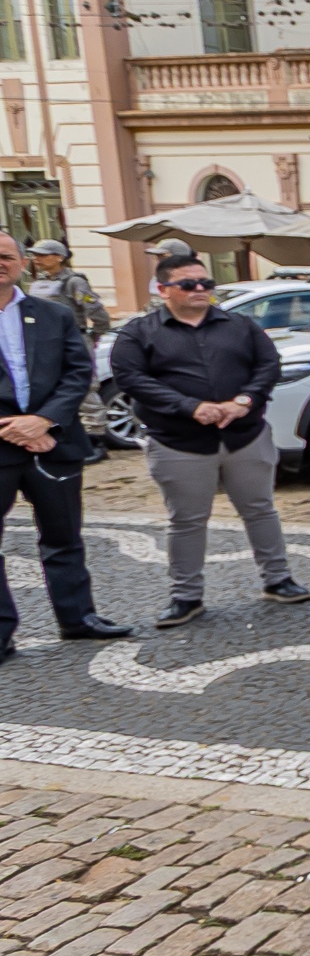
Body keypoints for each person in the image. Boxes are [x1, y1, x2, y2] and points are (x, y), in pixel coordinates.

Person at [112, 252, 308, 625]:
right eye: (188, 284)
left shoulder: (240, 325)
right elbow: (132, 379)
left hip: (245, 435)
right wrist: (190, 406)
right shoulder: (138, 332)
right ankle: (186, 596)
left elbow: (268, 365)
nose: (200, 290)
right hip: (178, 441)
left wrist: (244, 401)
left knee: (260, 508)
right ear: (164, 289)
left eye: (206, 283)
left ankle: (278, 579)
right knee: (186, 520)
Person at [0, 234, 133, 660]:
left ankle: (78, 619)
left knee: (64, 538)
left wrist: (44, 420)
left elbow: (79, 371)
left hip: (52, 442)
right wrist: (11, 427)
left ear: (24, 263)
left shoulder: (54, 314)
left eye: (6, 257)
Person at [24, 240, 113, 459]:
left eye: (43, 255)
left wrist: (92, 337)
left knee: (85, 388)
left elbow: (96, 311)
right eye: (35, 255)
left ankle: (96, 440)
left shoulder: (74, 282)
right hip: (44, 342)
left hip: (73, 339)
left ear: (60, 257)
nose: (37, 259)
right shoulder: (38, 282)